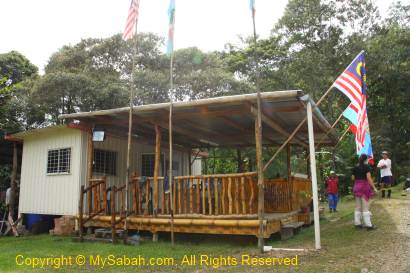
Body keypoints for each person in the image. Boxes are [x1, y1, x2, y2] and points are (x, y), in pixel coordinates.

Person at [352, 154, 378, 230]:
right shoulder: (367, 167)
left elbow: (353, 178)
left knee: (358, 206)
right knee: (365, 207)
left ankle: (357, 224)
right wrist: (374, 187)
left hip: (356, 186)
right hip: (364, 187)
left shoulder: (355, 167)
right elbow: (368, 178)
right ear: (366, 160)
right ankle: (369, 225)